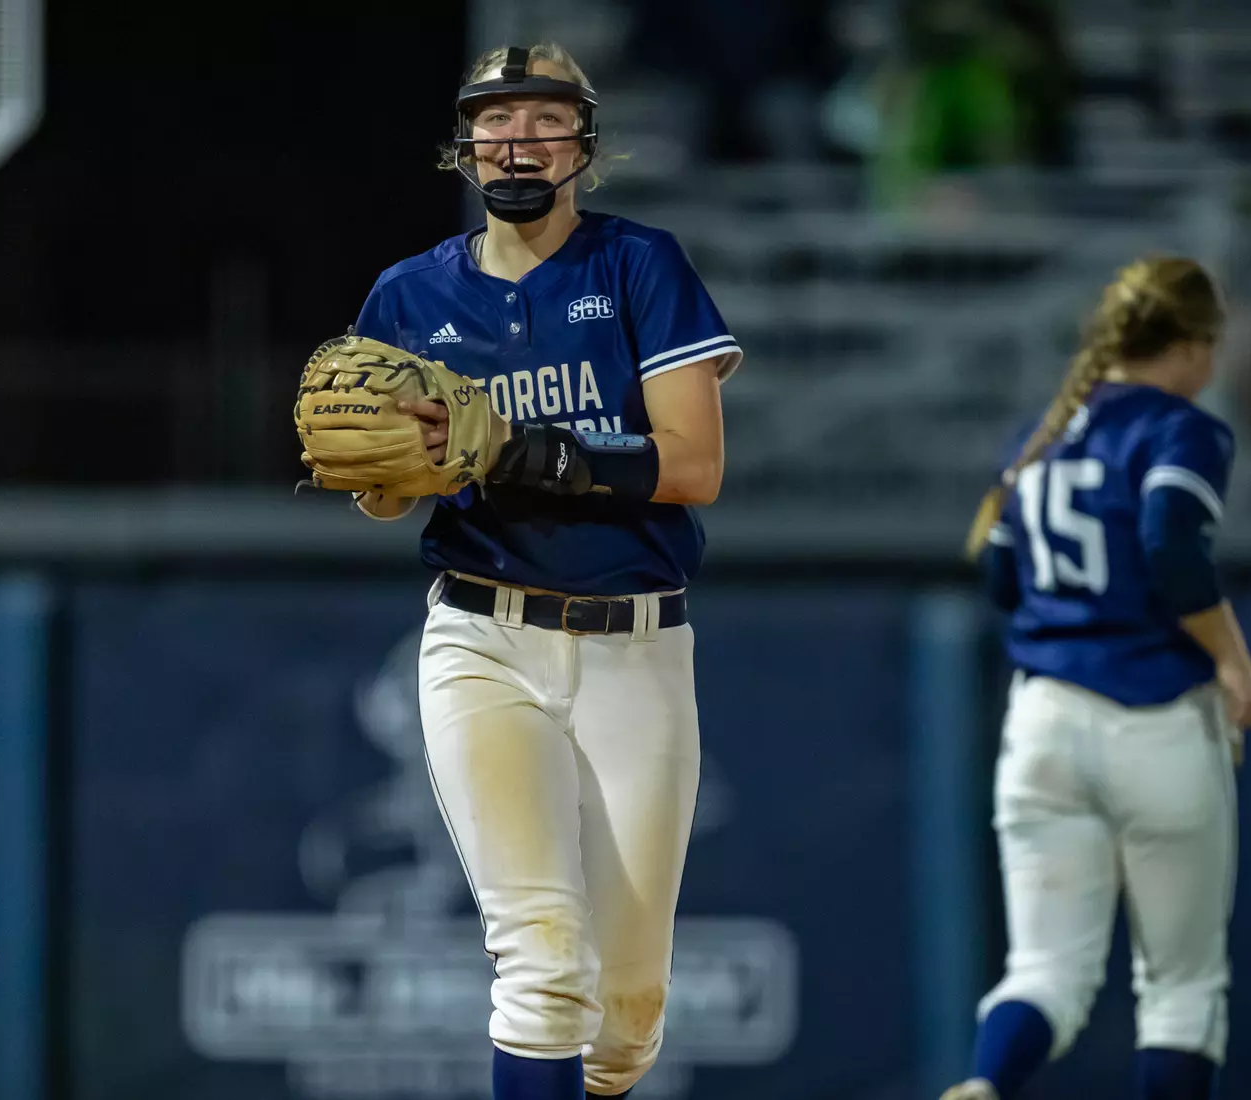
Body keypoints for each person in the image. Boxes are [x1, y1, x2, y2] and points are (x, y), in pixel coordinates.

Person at [347, 43, 742, 1100]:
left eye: (545, 121)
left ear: (585, 148)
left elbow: (695, 463)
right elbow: (383, 488)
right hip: (485, 636)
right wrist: (389, 464)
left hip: (636, 644)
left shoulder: (639, 266)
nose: (519, 141)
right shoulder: (408, 295)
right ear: (464, 146)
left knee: (629, 1009)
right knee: (540, 964)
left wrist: (520, 444)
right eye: (496, 121)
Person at [949, 257, 1251, 1100]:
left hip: (1043, 722)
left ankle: (983, 1087)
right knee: (1181, 991)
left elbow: (1002, 579)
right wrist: (1234, 661)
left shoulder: (1040, 431)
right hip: (1156, 717)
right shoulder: (1179, 426)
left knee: (1044, 973)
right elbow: (1170, 540)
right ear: (1195, 346)